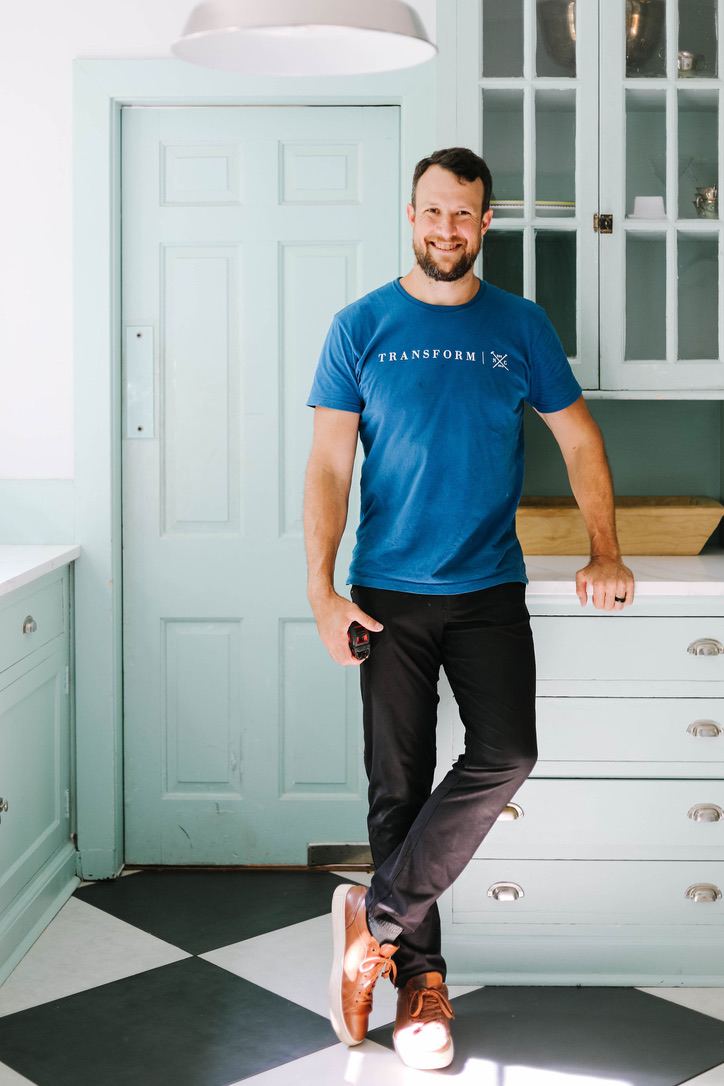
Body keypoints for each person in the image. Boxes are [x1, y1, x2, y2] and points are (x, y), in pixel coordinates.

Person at [303, 147, 635, 1071]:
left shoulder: (521, 325)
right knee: (397, 790)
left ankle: (372, 920)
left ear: (486, 223)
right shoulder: (361, 325)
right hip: (387, 594)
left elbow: (579, 439)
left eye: (464, 214)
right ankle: (420, 986)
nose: (446, 228)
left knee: (508, 753)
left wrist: (606, 547)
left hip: (489, 588)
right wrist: (322, 593)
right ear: (411, 216)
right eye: (433, 210)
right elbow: (328, 465)